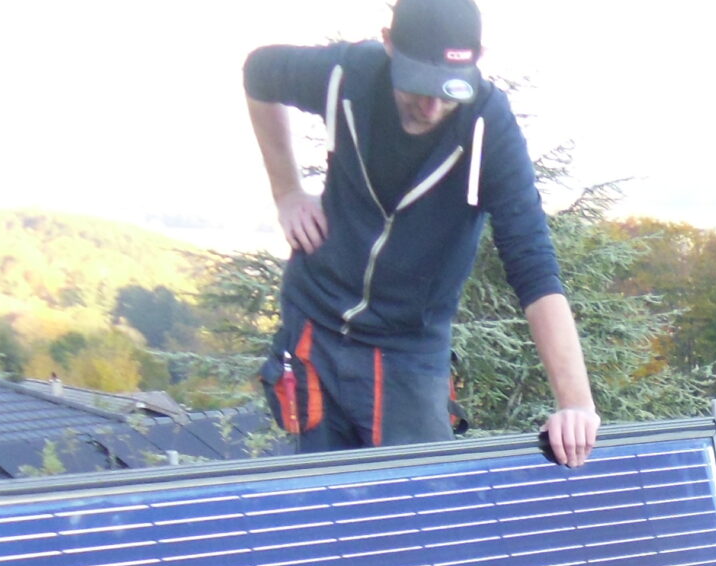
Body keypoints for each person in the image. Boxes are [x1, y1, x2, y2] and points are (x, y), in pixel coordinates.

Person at [242, 0, 600, 463]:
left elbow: (532, 263)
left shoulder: (487, 127)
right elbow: (259, 73)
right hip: (314, 325)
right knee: (322, 496)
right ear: (389, 44)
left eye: (448, 90)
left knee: (419, 498)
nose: (431, 106)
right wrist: (287, 191)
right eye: (418, 84)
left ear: (476, 59)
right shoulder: (346, 75)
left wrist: (576, 404)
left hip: (408, 352)